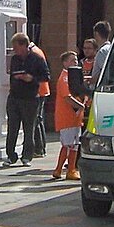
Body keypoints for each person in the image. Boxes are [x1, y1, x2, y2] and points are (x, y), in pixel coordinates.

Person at [5, 32, 49, 167]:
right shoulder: (15, 59)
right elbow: (12, 74)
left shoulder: (37, 58)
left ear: (24, 45)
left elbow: (46, 76)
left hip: (30, 98)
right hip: (14, 97)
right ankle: (11, 156)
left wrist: (31, 78)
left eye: (16, 47)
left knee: (29, 128)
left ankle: (27, 156)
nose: (14, 50)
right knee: (12, 127)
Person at [51, 51, 85, 181]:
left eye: (76, 60)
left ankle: (69, 169)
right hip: (67, 117)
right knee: (68, 144)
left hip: (75, 118)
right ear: (65, 63)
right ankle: (62, 169)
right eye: (72, 60)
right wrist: (80, 106)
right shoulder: (64, 77)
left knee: (74, 145)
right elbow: (67, 97)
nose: (75, 62)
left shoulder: (74, 76)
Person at [29, 41, 52, 158]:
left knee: (36, 120)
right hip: (42, 89)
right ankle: (40, 148)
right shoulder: (37, 51)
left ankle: (39, 148)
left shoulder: (34, 53)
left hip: (39, 90)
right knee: (39, 119)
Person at [87, 21, 113, 89]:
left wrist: (91, 81)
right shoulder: (111, 48)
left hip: (99, 89)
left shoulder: (102, 51)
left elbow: (104, 73)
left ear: (96, 34)